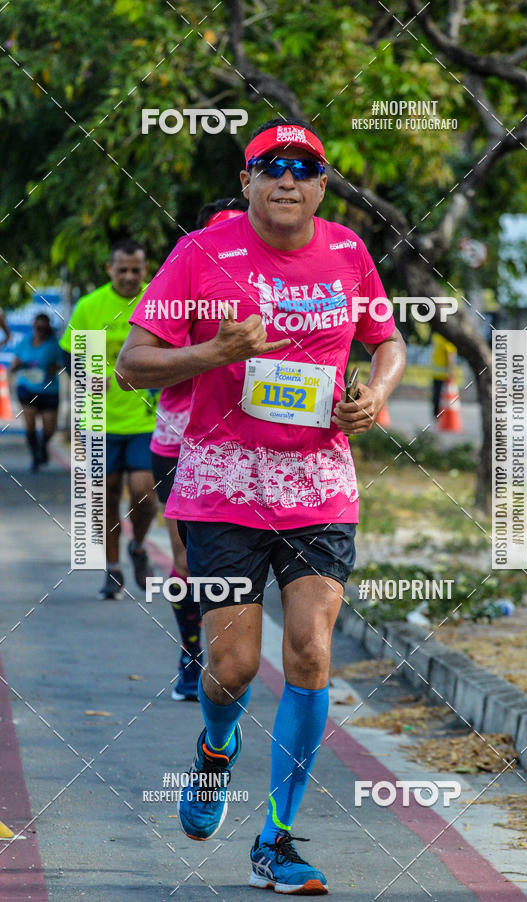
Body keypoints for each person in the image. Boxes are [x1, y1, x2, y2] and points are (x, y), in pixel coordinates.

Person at [117, 117, 406, 894]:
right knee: (234, 666)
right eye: (269, 165)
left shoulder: (348, 251)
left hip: (319, 485)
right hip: (221, 483)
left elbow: (388, 341)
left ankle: (276, 840)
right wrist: (211, 353)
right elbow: (131, 365)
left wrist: (373, 396)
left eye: (304, 166)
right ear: (246, 180)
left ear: (320, 183)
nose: (287, 177)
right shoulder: (199, 254)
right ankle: (217, 747)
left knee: (311, 650)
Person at [152, 198, 247, 701]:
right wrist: (212, 346)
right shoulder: (183, 282)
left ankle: (232, 662)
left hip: (247, 447)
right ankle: (192, 658)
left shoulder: (274, 287)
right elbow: (142, 362)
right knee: (188, 564)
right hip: (180, 443)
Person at [60, 239, 157, 600]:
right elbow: (71, 357)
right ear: (110, 270)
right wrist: (88, 380)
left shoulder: (158, 301)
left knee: (145, 494)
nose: (130, 277)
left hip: (145, 419)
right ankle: (113, 569)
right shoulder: (90, 307)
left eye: (137, 269)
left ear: (145, 269)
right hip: (98, 420)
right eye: (123, 270)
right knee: (106, 496)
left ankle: (139, 546)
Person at [11, 313, 62, 470]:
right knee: (30, 424)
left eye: (43, 327)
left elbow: (61, 364)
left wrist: (51, 368)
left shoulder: (55, 345)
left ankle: (42, 445)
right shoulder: (25, 342)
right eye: (37, 327)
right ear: (33, 327)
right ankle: (36, 457)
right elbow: (15, 363)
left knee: (50, 428)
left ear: (47, 328)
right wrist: (18, 366)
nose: (40, 330)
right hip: (27, 389)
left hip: (49, 390)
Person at [431, 330, 457, 419]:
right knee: (441, 397)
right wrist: (451, 370)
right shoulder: (442, 337)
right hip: (441, 374)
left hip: (440, 374)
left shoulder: (440, 337)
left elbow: (449, 354)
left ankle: (439, 416)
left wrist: (450, 371)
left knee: (438, 396)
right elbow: (449, 355)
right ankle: (440, 416)